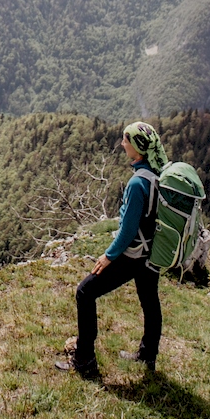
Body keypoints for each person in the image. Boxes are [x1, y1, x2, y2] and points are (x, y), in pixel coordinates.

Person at [55, 121, 169, 379]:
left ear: (137, 148)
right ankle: (147, 357)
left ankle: (84, 360)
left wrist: (108, 256)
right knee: (150, 302)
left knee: (85, 292)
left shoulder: (137, 184)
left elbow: (128, 230)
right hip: (151, 253)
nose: (122, 144)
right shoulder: (157, 175)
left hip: (133, 255)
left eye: (125, 140)